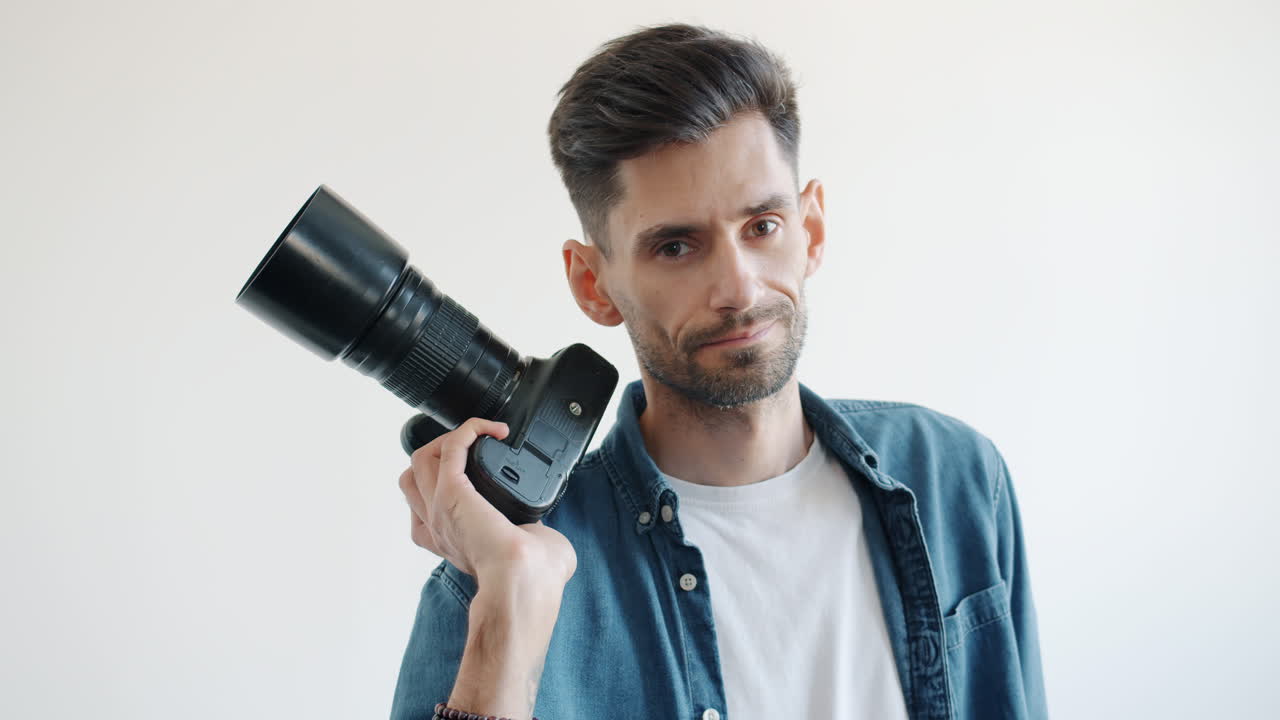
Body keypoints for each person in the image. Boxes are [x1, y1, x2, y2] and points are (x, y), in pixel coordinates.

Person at [390, 23, 1047, 720]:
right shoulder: (500, 575)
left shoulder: (957, 479)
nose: (737, 288)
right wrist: (510, 608)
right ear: (593, 284)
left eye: (763, 225)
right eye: (676, 246)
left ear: (811, 231)